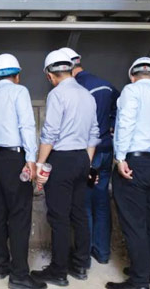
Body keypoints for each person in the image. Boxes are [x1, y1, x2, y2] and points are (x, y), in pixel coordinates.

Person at [32, 49, 100, 287]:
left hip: (61, 159)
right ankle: (80, 265)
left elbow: (50, 133)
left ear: (50, 75)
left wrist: (40, 164)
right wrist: (87, 163)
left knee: (59, 217)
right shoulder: (87, 95)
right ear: (70, 69)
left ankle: (58, 271)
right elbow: (94, 133)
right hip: (82, 158)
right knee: (79, 213)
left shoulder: (56, 94)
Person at [106, 58, 150, 289]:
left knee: (134, 223)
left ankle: (139, 281)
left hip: (133, 163)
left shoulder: (131, 91)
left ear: (132, 76)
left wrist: (120, 158)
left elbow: (126, 123)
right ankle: (149, 271)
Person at [0, 54, 45, 289]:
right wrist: (31, 159)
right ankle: (19, 275)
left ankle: (1, 265)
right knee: (19, 214)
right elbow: (27, 125)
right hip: (14, 158)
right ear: (17, 75)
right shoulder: (20, 92)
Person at [59, 47, 120, 265]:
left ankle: (83, 258)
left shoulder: (77, 89)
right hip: (106, 152)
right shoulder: (105, 84)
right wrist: (111, 126)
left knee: (83, 203)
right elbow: (119, 108)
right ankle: (102, 253)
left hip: (89, 155)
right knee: (101, 201)